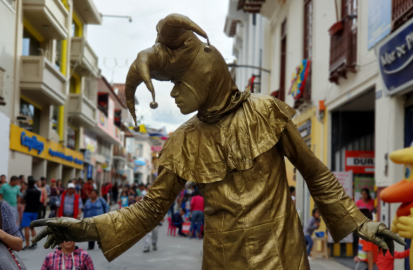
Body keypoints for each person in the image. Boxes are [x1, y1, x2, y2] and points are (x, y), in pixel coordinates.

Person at [31, 14, 404, 268]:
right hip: (223, 260)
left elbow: (315, 173)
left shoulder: (265, 111)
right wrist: (89, 227)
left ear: (203, 75)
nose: (174, 94)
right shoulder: (183, 141)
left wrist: (362, 224)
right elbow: (150, 208)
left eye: (178, 83)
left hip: (282, 254)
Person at [21, 177, 42, 250]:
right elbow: (40, 200)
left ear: (28, 184)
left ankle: (27, 245)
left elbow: (21, 199)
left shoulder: (27, 191)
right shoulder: (38, 191)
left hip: (27, 211)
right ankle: (34, 242)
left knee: (26, 228)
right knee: (32, 228)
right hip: (35, 211)